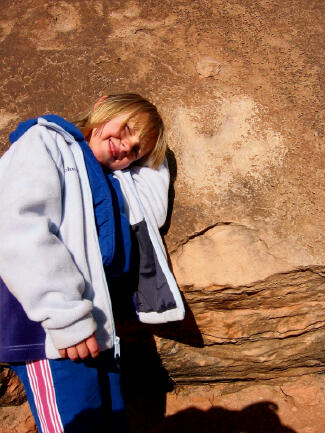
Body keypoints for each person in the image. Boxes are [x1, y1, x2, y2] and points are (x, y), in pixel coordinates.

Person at [0, 93, 185, 432]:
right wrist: (63, 316)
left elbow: (154, 210)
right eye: (126, 128)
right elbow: (15, 226)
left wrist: (153, 149)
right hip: (50, 332)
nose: (125, 146)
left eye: (135, 151)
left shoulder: (119, 183)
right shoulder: (46, 141)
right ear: (102, 106)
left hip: (97, 331)